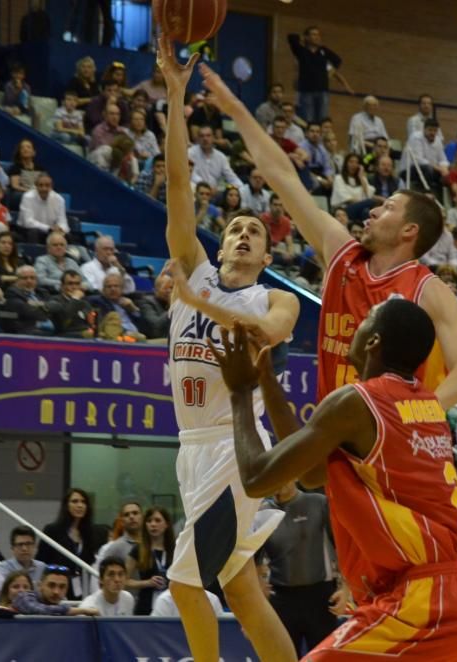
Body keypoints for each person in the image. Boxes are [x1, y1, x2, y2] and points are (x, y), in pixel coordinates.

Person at [211, 299, 457, 660]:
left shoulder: (358, 402)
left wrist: (239, 392)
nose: (356, 326)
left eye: (365, 319)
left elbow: (257, 479)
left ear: (373, 341)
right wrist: (266, 381)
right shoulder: (425, 404)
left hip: (428, 600)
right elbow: (312, 473)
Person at [198, 60, 457, 412]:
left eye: (388, 207)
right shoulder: (340, 251)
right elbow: (281, 174)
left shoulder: (429, 291)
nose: (373, 211)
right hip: (334, 438)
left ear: (410, 230)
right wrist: (234, 108)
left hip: (390, 448)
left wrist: (408, 418)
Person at [157, 41, 299, 662]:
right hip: (191, 451)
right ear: (218, 246)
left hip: (237, 446)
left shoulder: (276, 300)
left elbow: (268, 337)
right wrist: (174, 94)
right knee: (241, 592)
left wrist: (200, 301)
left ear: (267, 258)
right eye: (235, 228)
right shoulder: (193, 266)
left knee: (184, 585)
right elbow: (180, 181)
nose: (242, 234)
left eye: (255, 233)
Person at [260, 481, 343, 657]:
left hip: (319, 597)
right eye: (274, 476)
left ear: (296, 475)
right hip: (281, 599)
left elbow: (343, 547)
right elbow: (253, 562)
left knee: (325, 657)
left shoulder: (319, 503)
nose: (279, 481)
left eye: (284, 474)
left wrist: (347, 589)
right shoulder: (261, 512)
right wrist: (255, 607)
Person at [36, 487, 109, 600]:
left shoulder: (92, 533)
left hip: (84, 588)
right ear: (66, 505)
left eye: (83, 502)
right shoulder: (52, 530)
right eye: (75, 501)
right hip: (56, 589)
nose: (80, 505)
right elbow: (41, 561)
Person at [286, 26, 352, 122]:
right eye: (314, 34)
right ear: (307, 37)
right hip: (306, 92)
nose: (317, 37)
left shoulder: (323, 50)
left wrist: (330, 73)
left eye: (318, 35)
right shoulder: (301, 50)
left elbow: (337, 61)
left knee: (322, 119)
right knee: (308, 119)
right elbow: (291, 37)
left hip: (322, 91)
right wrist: (304, 38)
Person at [125, 506, 175, 615]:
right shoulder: (138, 549)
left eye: (157, 520)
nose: (153, 524)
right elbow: (125, 581)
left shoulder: (175, 549)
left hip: (171, 604)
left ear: (166, 524)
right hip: (145, 605)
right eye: (149, 521)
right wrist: (147, 583)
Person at [11, 566, 98, 616]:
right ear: (39, 585)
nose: (56, 591)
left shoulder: (58, 608)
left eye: (62, 587)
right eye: (51, 585)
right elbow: (37, 610)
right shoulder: (24, 597)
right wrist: (82, 611)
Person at [0, 526, 46, 593]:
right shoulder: (3, 569)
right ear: (12, 548)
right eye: (20, 544)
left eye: (28, 544)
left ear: (34, 546)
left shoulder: (42, 567)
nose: (24, 548)